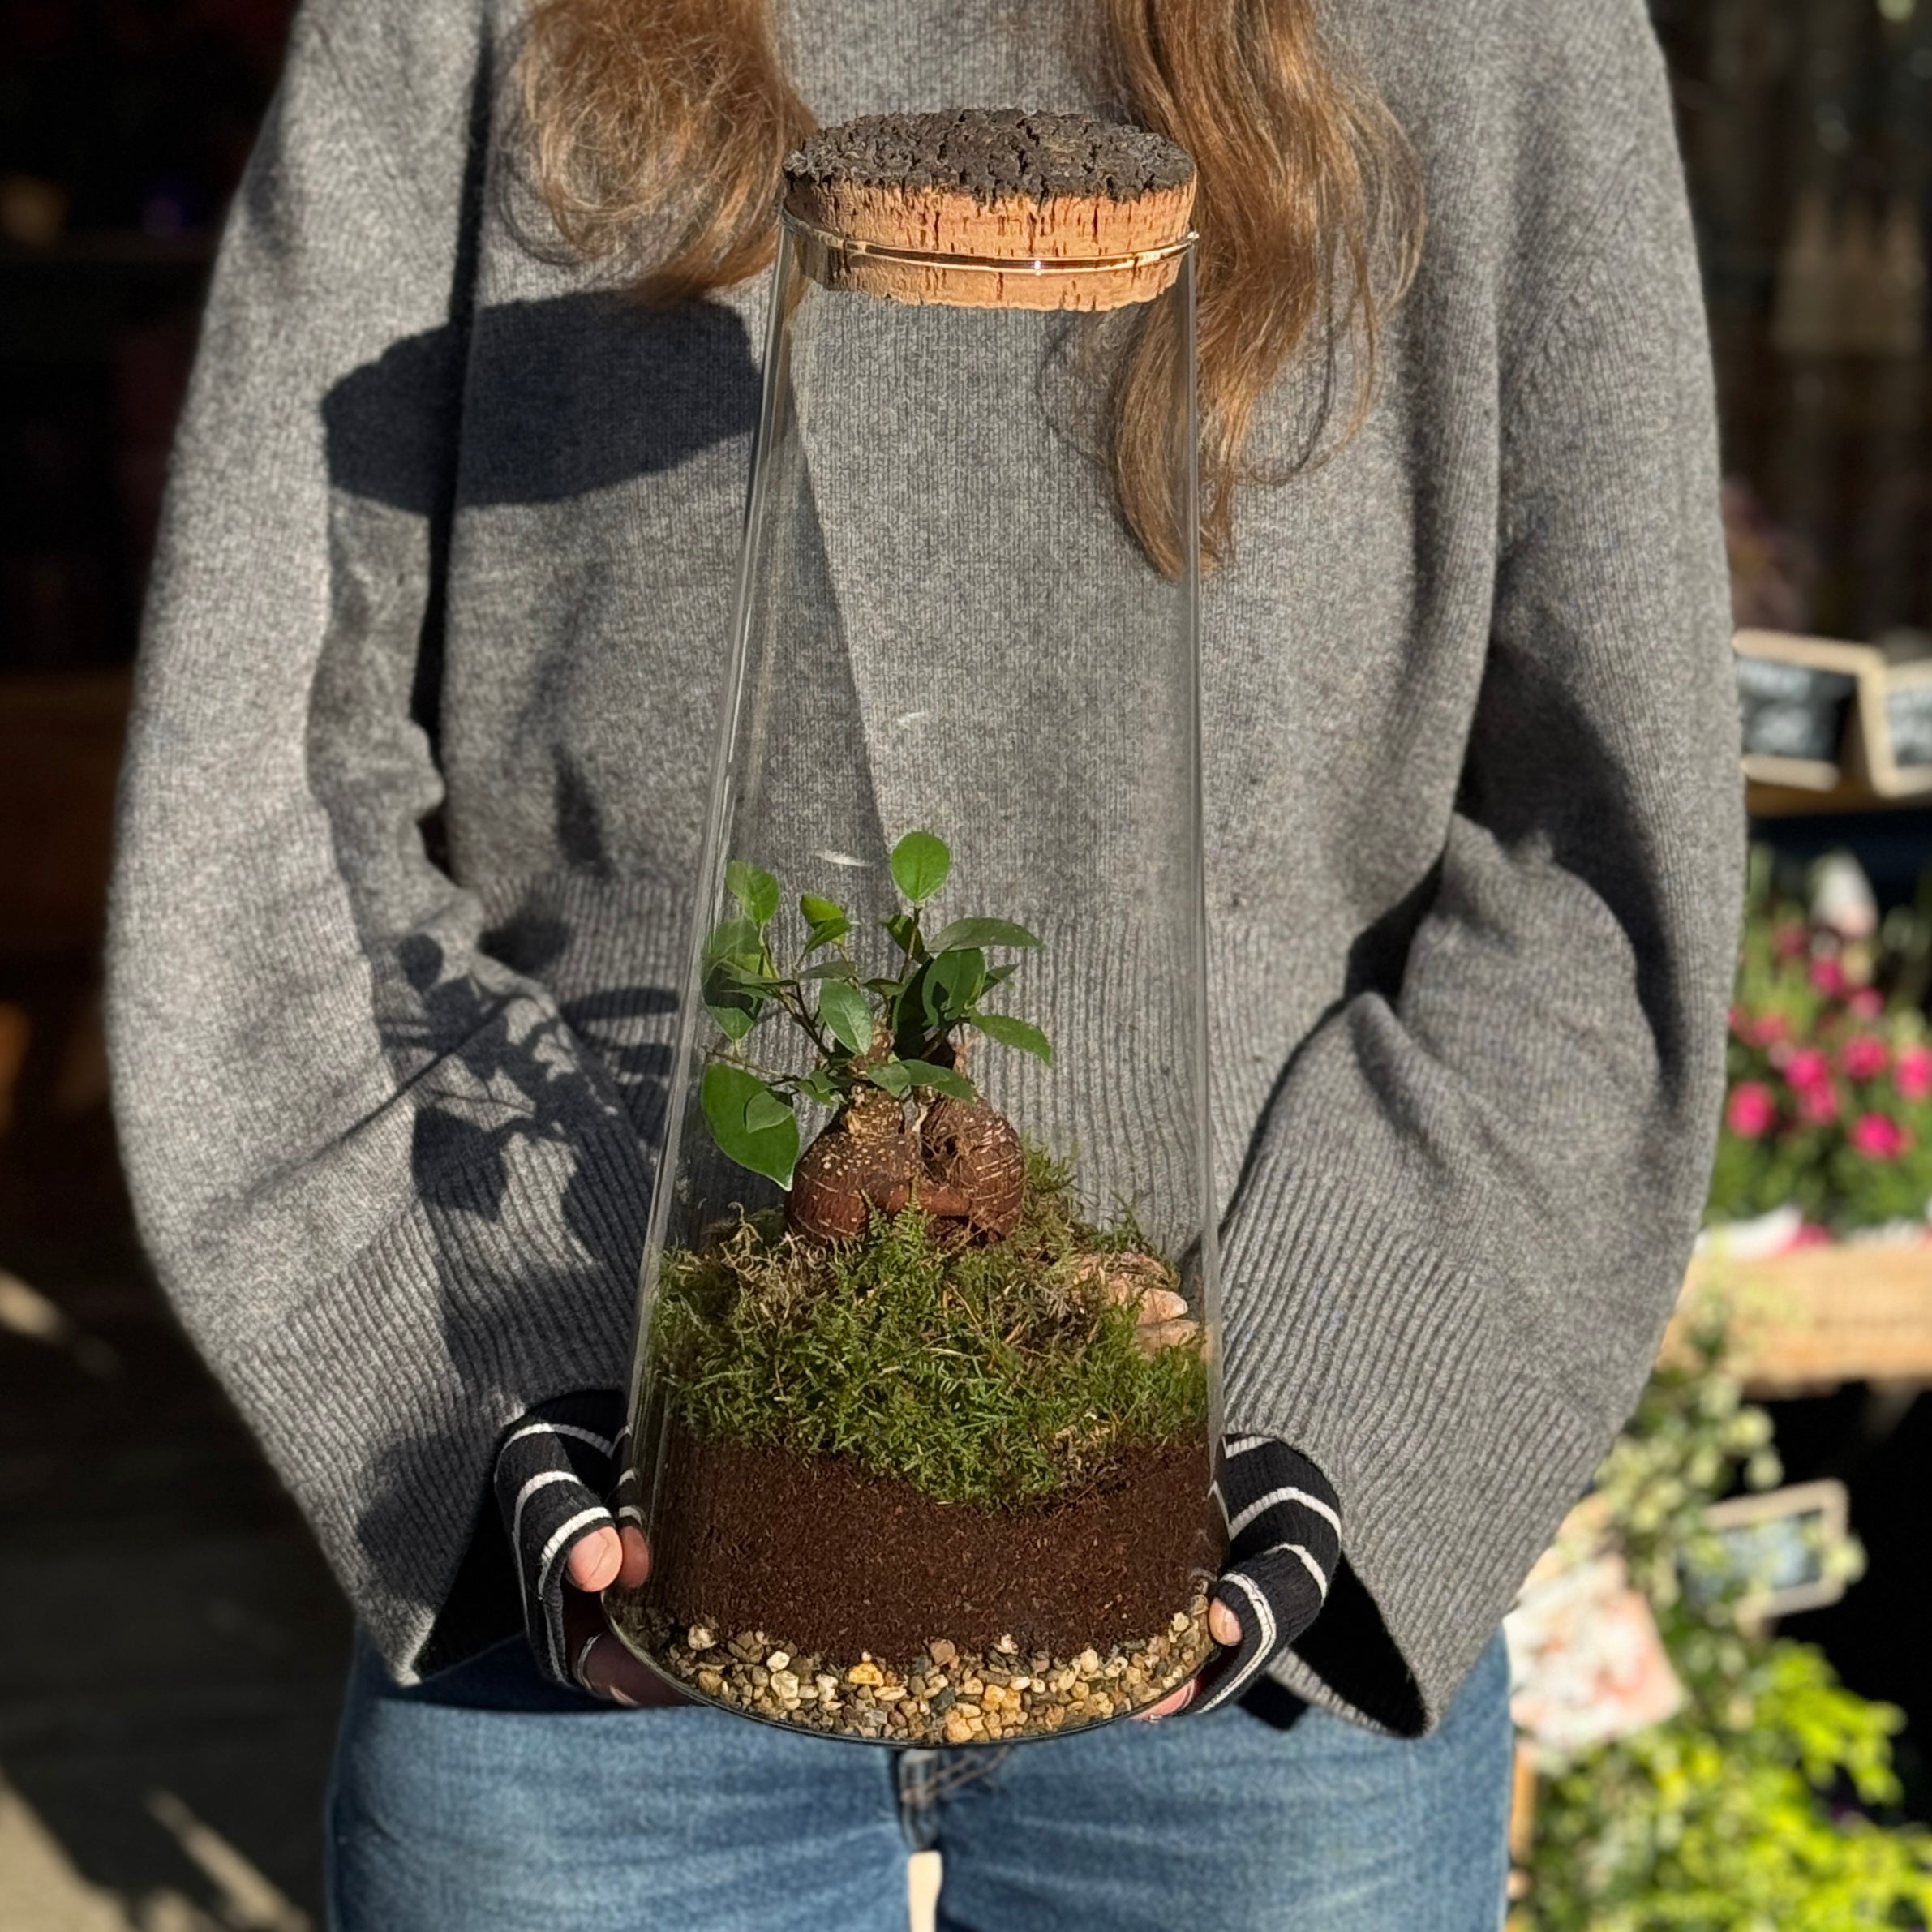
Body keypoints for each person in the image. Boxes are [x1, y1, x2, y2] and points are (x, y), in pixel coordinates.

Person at [106, 0, 1743, 1924]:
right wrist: (499, 1361)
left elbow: (1596, 839)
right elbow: (275, 745)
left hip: (1252, 1629)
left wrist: (1355, 1400)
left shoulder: (1493, 36)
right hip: (577, 1582)